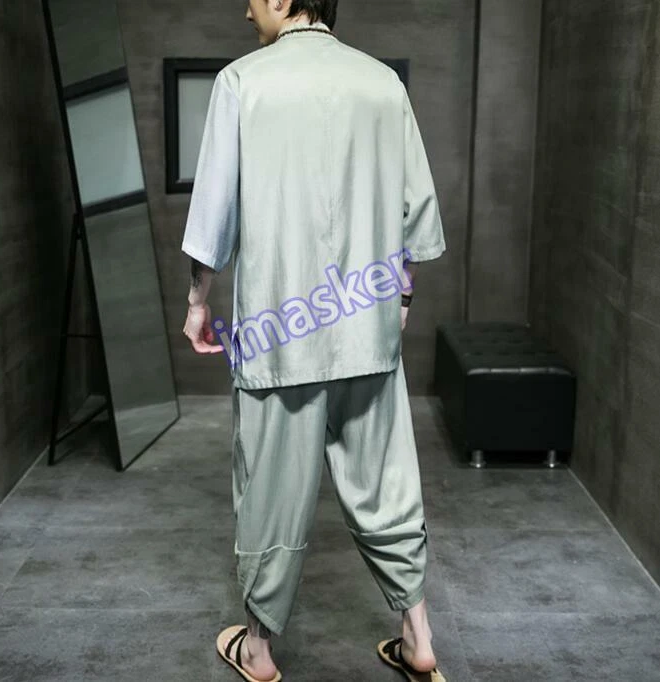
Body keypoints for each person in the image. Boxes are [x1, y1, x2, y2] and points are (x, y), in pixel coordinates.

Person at [181, 1, 447, 680]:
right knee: (386, 482)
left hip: (280, 337)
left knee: (270, 490)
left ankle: (258, 650)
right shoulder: (382, 83)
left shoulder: (242, 82)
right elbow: (415, 210)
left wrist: (198, 302)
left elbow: (214, 210)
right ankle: (417, 637)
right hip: (365, 325)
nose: (245, 10)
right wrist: (401, 300)